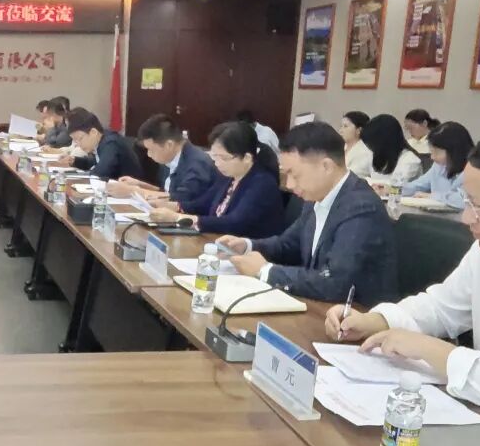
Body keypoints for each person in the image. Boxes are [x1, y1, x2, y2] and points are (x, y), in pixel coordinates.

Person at [325, 130, 480, 415]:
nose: (466, 217)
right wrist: (377, 321)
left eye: (478, 205)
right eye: (467, 202)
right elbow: (441, 307)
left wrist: (435, 351)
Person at [217, 121, 398, 305]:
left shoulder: (361, 207)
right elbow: (289, 245)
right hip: (319, 305)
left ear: (326, 167)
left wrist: (266, 271)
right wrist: (248, 246)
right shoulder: (316, 197)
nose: (289, 184)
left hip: (355, 314)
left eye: (294, 175)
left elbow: (336, 281)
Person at [150, 122, 285, 238]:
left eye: (224, 158)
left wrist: (178, 218)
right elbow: (204, 204)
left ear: (247, 158)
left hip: (249, 252)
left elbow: (233, 223)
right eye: (215, 156)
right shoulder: (228, 176)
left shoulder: (262, 184)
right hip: (217, 242)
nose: (217, 163)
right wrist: (172, 206)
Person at [109, 114, 217, 211]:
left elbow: (180, 200)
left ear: (169, 145)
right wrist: (140, 185)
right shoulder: (171, 157)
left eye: (151, 149)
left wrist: (132, 191)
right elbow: (168, 192)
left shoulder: (197, 163)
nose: (149, 154)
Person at [55, 108, 144, 180]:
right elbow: (95, 162)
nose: (78, 144)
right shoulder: (102, 140)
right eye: (75, 140)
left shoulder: (111, 143)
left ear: (93, 132)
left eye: (80, 139)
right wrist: (74, 161)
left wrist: (79, 177)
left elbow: (101, 172)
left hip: (130, 193)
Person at [401, 121, 473, 210]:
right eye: (431, 152)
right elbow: (418, 185)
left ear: (455, 151)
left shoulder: (474, 170)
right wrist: (393, 189)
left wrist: (433, 196)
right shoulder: (438, 166)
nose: (432, 157)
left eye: (437, 152)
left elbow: (465, 200)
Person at [362, 114, 423, 184]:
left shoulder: (410, 160)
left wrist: (368, 182)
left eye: (373, 144)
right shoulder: (376, 156)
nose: (370, 148)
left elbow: (396, 185)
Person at [339, 111, 373, 178]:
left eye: (345, 126)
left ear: (359, 130)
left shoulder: (365, 153)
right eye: (341, 126)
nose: (340, 131)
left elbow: (351, 177)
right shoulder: (339, 147)